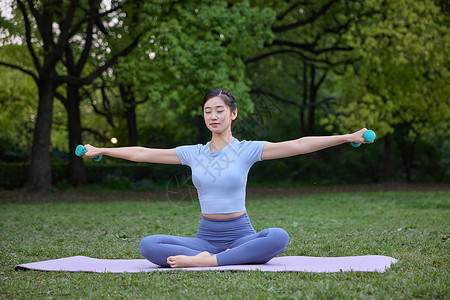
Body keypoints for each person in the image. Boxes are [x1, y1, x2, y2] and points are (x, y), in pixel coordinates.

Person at [82, 87, 370, 268]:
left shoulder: (247, 150)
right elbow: (143, 153)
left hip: (242, 235)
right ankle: (213, 258)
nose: (213, 116)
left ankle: (208, 263)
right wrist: (102, 150)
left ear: (233, 114)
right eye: (208, 111)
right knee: (149, 245)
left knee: (278, 237)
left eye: (219, 110)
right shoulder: (193, 153)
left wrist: (348, 137)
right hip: (205, 238)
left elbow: (298, 144)